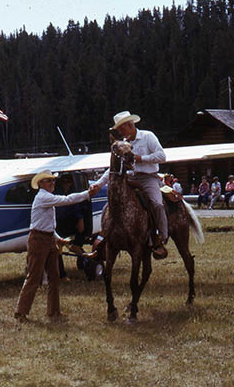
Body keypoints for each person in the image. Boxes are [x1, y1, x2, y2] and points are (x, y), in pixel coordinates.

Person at [14, 170, 96, 322]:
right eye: (48, 181)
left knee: (54, 277)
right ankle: (21, 312)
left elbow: (46, 224)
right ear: (40, 184)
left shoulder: (46, 198)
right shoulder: (43, 197)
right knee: (34, 277)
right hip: (38, 240)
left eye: (53, 181)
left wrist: (58, 239)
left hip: (49, 239)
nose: (53, 183)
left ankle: (54, 311)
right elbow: (67, 200)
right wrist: (87, 194)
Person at [89, 110, 168, 259]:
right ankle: (107, 235)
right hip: (129, 179)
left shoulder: (148, 136)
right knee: (110, 206)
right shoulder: (123, 144)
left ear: (128, 125)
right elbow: (112, 169)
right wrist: (99, 184)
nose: (119, 131)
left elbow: (162, 156)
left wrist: (141, 158)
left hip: (148, 178)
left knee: (157, 204)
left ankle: (160, 238)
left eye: (120, 128)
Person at [54, 174, 87, 280]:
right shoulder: (56, 193)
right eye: (65, 182)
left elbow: (75, 206)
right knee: (57, 249)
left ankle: (80, 253)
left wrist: (80, 219)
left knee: (74, 242)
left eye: (69, 182)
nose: (67, 184)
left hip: (68, 223)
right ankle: (62, 274)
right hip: (59, 224)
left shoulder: (71, 192)